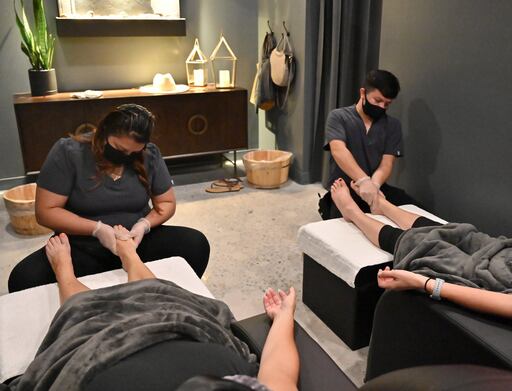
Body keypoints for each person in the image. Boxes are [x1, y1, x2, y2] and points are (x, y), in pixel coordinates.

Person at [6, 228, 299, 391]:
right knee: (163, 294)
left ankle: (65, 274)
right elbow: (279, 373)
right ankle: (130, 257)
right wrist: (283, 317)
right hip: (186, 327)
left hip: (94, 350)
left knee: (84, 311)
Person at [330, 178, 512, 328]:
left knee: (424, 247)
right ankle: (383, 205)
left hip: (507, 280)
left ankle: (353, 214)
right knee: (458, 232)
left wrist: (424, 283)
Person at [8, 104, 210, 292]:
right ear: (103, 132)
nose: (126, 156)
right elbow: (46, 212)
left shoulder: (149, 154)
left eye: (133, 152)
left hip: (136, 241)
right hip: (82, 243)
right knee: (24, 278)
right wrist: (97, 229)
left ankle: (133, 269)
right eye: (120, 149)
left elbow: (166, 203)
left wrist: (143, 225)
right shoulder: (69, 152)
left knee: (195, 244)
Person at [319, 69, 418, 220]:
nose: (382, 107)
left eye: (387, 104)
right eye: (377, 101)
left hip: (375, 186)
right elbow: (339, 151)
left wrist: (374, 186)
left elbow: (387, 162)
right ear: (363, 93)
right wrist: (363, 180)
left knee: (415, 213)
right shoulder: (338, 117)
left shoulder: (393, 125)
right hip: (344, 188)